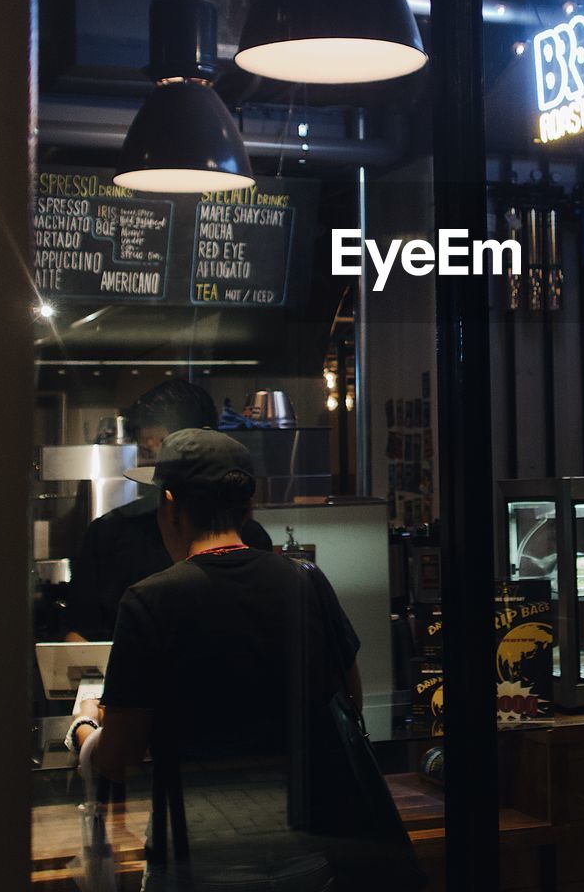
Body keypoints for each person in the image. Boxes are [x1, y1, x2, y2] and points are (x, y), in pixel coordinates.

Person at [66, 429, 364, 889]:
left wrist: (84, 729)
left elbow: (120, 759)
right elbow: (351, 699)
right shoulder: (306, 581)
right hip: (308, 857)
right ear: (248, 506)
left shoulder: (150, 601)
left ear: (169, 504)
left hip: (197, 863)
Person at [65, 380, 273, 642]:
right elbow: (79, 635)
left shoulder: (251, 539)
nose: (153, 460)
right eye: (144, 449)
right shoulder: (108, 533)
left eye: (163, 447)